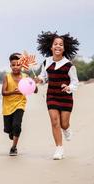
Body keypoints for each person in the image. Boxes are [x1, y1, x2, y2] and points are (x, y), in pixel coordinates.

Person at [36, 31, 79, 160]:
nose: (58, 46)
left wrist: (69, 87)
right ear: (51, 47)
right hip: (52, 97)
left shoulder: (69, 65)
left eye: (61, 44)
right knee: (55, 122)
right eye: (56, 44)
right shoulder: (46, 62)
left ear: (64, 48)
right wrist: (39, 80)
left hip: (65, 98)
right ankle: (59, 149)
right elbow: (44, 78)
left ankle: (66, 129)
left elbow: (75, 82)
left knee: (64, 124)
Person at [2, 53, 38, 156]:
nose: (15, 67)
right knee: (8, 129)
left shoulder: (26, 77)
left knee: (17, 125)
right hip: (7, 106)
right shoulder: (7, 77)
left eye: (18, 64)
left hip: (20, 104)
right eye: (13, 65)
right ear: (10, 66)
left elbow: (35, 91)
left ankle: (14, 147)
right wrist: (14, 91)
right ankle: (11, 132)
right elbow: (3, 93)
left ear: (22, 65)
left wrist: (34, 84)